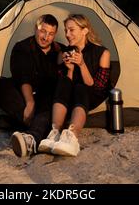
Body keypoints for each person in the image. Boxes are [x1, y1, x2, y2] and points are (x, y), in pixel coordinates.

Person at [0, 14, 64, 157]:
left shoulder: (60, 51)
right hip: (23, 95)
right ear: (36, 28)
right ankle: (38, 124)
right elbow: (23, 78)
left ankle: (31, 136)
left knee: (50, 98)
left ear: (55, 34)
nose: (46, 37)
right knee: (0, 84)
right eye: (43, 31)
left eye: (51, 34)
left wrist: (61, 58)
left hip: (45, 98)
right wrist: (29, 102)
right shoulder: (21, 47)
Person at [38, 14, 110, 157]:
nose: (67, 35)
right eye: (65, 30)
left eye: (71, 30)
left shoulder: (102, 52)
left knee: (81, 86)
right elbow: (62, 86)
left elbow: (97, 86)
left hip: (90, 94)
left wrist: (82, 64)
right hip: (68, 97)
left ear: (84, 31)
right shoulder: (63, 53)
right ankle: (55, 132)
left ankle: (71, 136)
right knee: (65, 81)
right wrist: (69, 69)